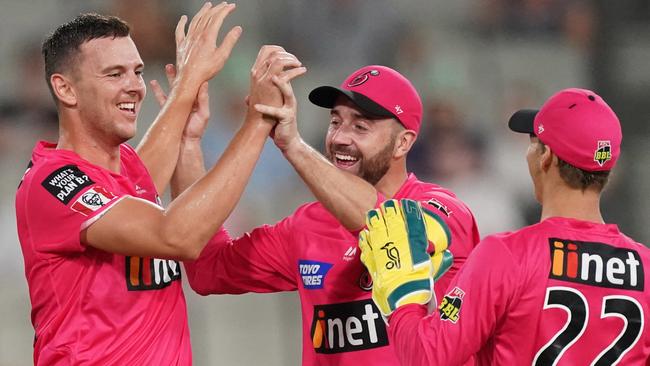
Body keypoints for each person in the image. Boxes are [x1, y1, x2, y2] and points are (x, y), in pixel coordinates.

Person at [15, 3, 306, 364]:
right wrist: (258, 120)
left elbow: (147, 168)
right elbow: (177, 236)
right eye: (114, 74)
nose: (134, 86)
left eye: (137, 71)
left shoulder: (127, 177)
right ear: (66, 89)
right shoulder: (52, 181)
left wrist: (187, 134)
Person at [184, 65, 480, 365]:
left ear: (403, 142)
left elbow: (393, 230)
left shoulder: (443, 210)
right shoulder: (307, 225)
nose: (340, 137)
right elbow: (205, 267)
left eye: (360, 127)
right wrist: (188, 142)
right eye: (335, 122)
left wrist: (295, 147)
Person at [359, 88, 650, 365]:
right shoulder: (646, 268)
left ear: (546, 157)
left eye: (532, 142)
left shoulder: (507, 256)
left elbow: (428, 356)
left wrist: (403, 297)